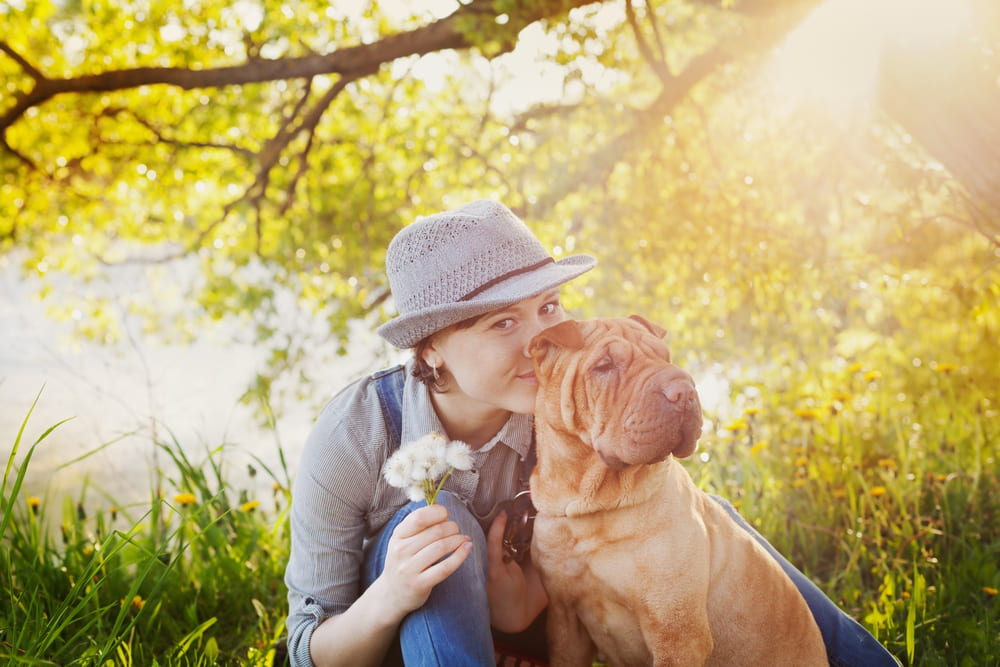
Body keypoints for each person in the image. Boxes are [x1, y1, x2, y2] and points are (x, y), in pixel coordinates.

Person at [283, 199, 898, 667]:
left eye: (549, 307)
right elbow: (307, 650)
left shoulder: (568, 398)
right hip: (407, 632)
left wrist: (524, 605)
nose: (541, 340)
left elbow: (635, 528)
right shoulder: (355, 437)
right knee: (437, 526)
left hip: (543, 622)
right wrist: (392, 594)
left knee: (706, 512)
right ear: (431, 349)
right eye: (503, 323)